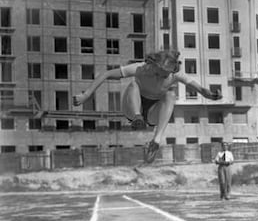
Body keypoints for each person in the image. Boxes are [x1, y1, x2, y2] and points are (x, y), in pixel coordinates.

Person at [73, 50, 222, 163]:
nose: (165, 77)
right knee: (133, 83)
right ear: (154, 66)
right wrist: (86, 95)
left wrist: (210, 95)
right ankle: (137, 117)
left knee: (170, 94)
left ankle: (156, 139)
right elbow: (105, 74)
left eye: (167, 75)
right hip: (132, 105)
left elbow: (200, 89)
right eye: (161, 74)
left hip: (152, 112)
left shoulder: (173, 75)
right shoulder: (139, 68)